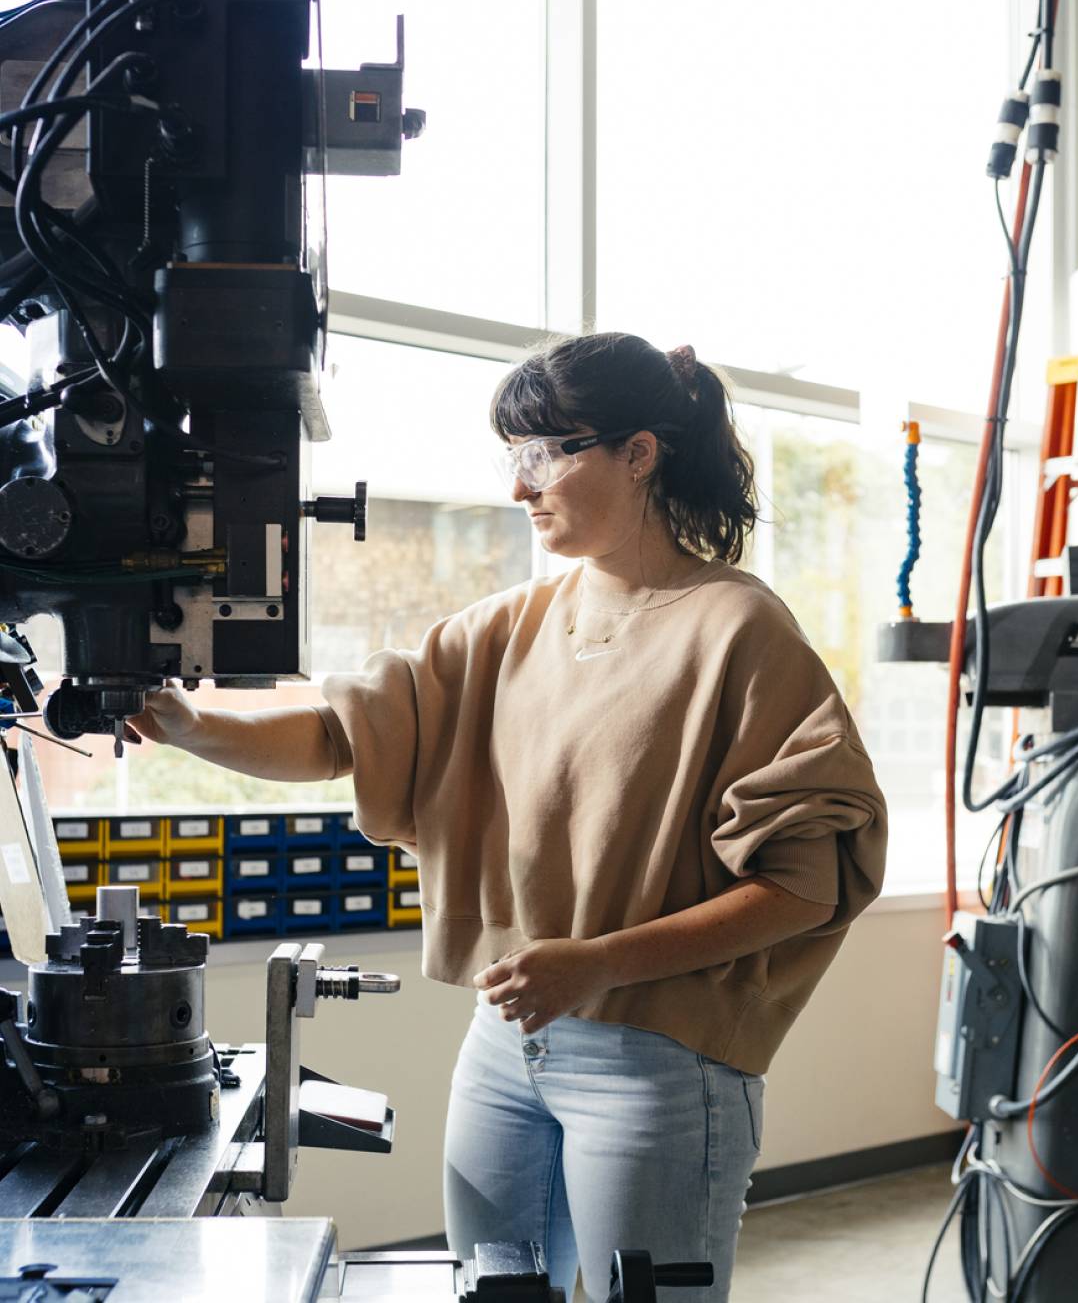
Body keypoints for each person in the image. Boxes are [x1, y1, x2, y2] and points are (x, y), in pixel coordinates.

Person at [127, 331, 887, 1302]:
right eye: (512, 457)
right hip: (507, 1039)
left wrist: (600, 962)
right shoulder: (504, 628)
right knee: (489, 1290)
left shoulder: (738, 628)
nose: (520, 487)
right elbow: (336, 735)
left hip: (658, 1060)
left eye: (543, 454)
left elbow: (798, 890)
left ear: (637, 452)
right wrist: (187, 724)